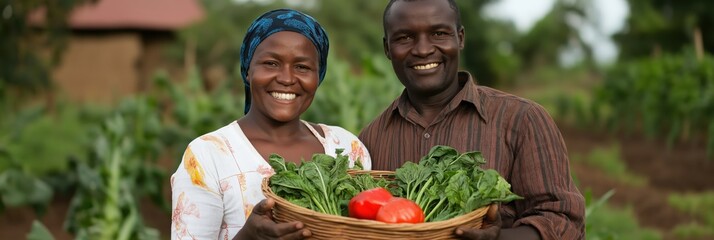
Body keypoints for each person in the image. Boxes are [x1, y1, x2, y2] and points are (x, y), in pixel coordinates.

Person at [358, 0, 585, 239]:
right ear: (387, 48)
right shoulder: (370, 139)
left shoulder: (522, 119)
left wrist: (500, 238)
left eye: (438, 33)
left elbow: (563, 221)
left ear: (461, 38)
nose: (423, 50)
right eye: (404, 37)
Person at [170, 9, 371, 240]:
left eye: (302, 67)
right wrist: (247, 237)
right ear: (248, 70)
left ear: (319, 76)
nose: (286, 78)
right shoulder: (208, 155)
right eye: (271, 63)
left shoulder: (346, 147)